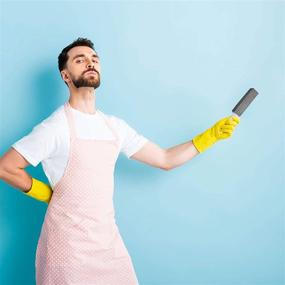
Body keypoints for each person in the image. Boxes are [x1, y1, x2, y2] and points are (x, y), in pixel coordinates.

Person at [0, 37, 240, 284]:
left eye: (94, 59)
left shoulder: (114, 127)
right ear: (66, 76)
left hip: (107, 245)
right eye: (79, 60)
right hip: (67, 248)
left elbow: (165, 158)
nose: (89, 63)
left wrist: (208, 137)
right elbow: (5, 167)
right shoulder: (55, 127)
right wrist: (43, 192)